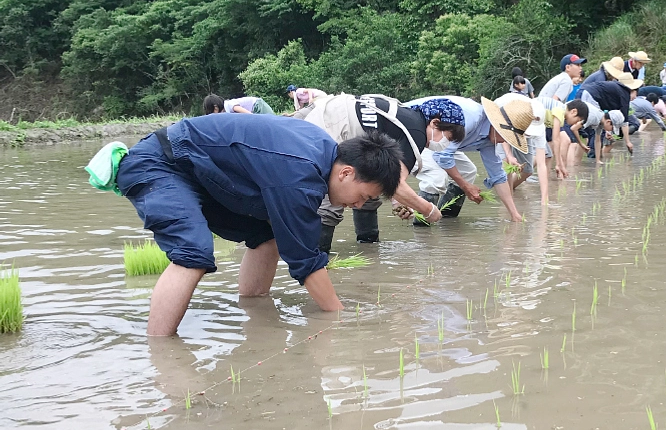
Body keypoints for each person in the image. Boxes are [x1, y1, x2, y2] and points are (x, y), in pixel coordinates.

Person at [114, 114, 403, 335]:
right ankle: (160, 351)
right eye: (364, 196)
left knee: (268, 238)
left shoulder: (322, 152)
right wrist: (341, 319)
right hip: (160, 164)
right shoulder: (299, 176)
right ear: (347, 173)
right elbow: (305, 261)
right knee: (194, 254)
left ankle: (253, 309)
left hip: (201, 172)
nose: (360, 205)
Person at [291, 93, 467, 250]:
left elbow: (385, 175)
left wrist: (398, 201)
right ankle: (317, 261)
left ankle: (368, 248)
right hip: (330, 126)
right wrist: (428, 210)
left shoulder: (406, 115)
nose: (445, 144)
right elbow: (397, 185)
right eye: (448, 138)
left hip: (327, 110)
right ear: (435, 123)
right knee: (333, 198)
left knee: (369, 186)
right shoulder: (417, 133)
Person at [407, 95, 532, 223]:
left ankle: (446, 220)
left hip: (441, 142)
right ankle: (422, 228)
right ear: (497, 125)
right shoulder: (471, 119)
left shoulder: (489, 139)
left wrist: (514, 215)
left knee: (468, 171)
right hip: (415, 133)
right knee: (436, 177)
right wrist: (466, 187)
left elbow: (498, 175)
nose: (505, 141)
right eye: (506, 136)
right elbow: (442, 156)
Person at [578, 73, 641, 162]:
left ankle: (592, 159)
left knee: (598, 130)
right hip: (589, 96)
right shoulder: (624, 93)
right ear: (632, 90)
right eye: (636, 94)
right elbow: (624, 121)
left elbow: (607, 118)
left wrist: (608, 131)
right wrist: (628, 142)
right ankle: (592, 159)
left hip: (584, 93)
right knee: (595, 131)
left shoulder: (616, 91)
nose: (635, 98)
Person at [202, 94, 274, 115]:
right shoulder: (226, 112)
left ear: (215, 108)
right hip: (255, 109)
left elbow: (249, 114)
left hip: (258, 106)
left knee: (270, 122)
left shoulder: (229, 105)